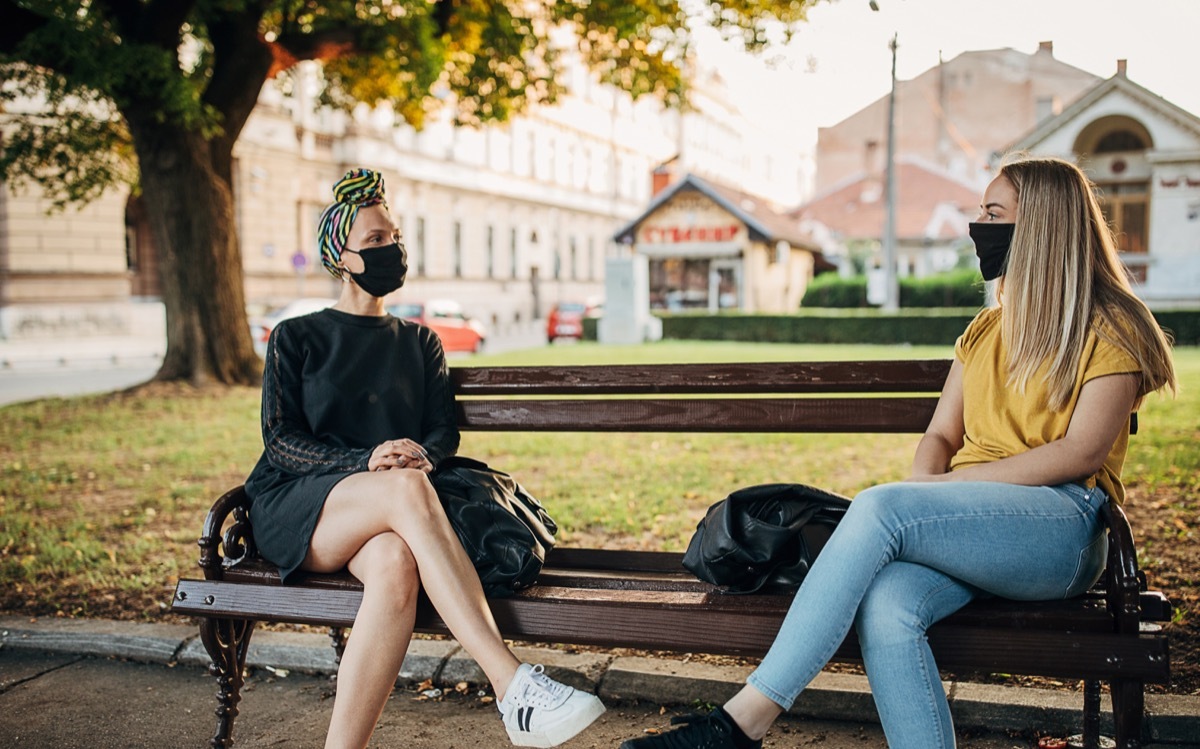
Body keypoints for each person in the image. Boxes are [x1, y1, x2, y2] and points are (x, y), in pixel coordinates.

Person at [620, 155, 1177, 749]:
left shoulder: (1113, 324)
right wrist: (929, 491)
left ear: (1042, 225)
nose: (978, 227)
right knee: (887, 605)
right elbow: (940, 436)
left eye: (993, 214)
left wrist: (937, 496)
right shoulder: (986, 331)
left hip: (1061, 530)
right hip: (972, 529)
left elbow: (1080, 453)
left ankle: (740, 724)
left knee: (882, 508)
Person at [244, 168, 605, 749]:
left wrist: (415, 456)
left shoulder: (420, 342)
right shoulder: (296, 336)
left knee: (394, 564)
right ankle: (511, 684)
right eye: (376, 241)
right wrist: (370, 459)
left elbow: (441, 433)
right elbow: (280, 439)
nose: (393, 249)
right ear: (340, 255)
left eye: (396, 236)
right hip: (302, 504)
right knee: (408, 489)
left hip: (388, 514)